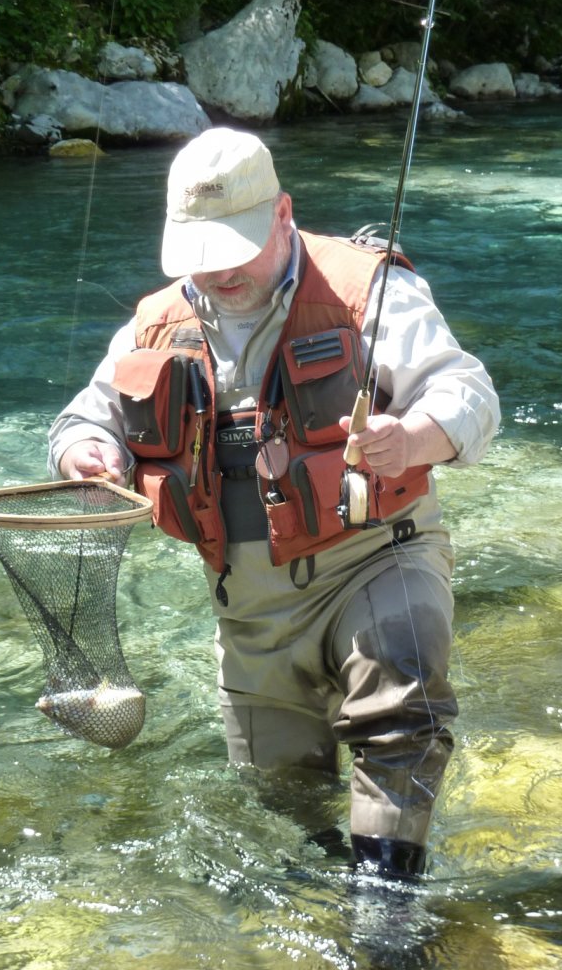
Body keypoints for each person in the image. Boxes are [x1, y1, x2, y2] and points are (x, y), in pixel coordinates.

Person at [48, 126, 500, 882]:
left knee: (402, 713)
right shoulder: (159, 320)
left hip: (378, 558)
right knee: (281, 803)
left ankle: (389, 914)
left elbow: (471, 396)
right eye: (201, 252)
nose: (219, 272)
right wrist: (85, 454)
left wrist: (416, 435)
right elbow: (80, 418)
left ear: (283, 214)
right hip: (250, 609)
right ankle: (323, 930)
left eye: (236, 246)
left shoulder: (367, 287)